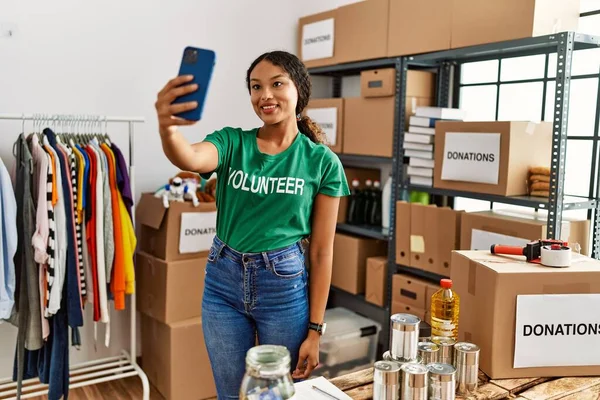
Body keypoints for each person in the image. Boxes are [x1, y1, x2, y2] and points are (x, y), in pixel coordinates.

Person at [154, 50, 350, 398]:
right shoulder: (232, 142)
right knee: (231, 393)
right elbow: (189, 156)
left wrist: (315, 331)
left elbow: (321, 252)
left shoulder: (322, 162)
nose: (265, 95)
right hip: (222, 284)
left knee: (279, 394)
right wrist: (167, 128)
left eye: (277, 84)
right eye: (255, 87)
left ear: (299, 90)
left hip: (283, 288)